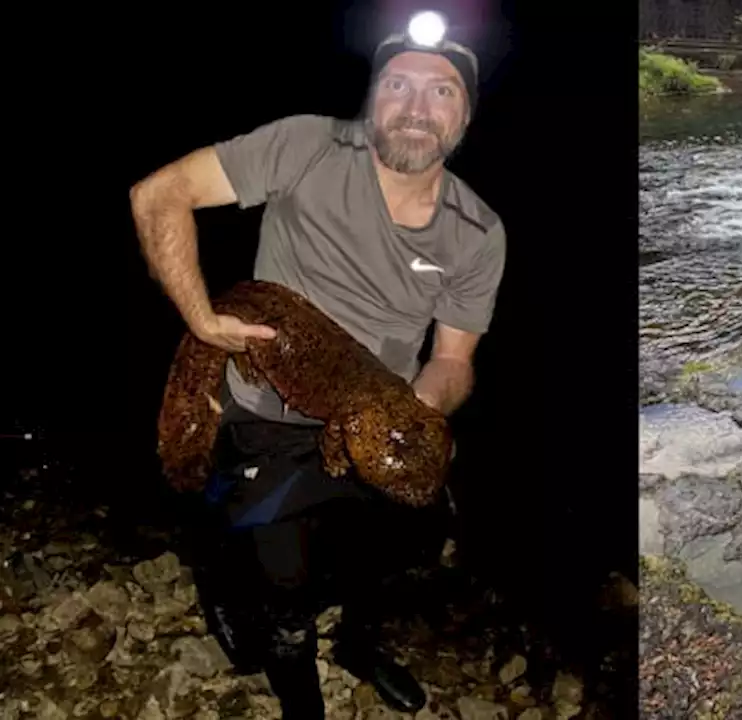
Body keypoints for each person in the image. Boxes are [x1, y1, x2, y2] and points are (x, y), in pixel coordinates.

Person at [128, 19, 504, 718]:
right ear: (372, 99)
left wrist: (413, 417)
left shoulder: (478, 231)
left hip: (379, 404)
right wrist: (202, 319)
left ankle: (359, 642)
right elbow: (157, 195)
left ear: (466, 114)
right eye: (398, 84)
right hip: (269, 403)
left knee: (413, 532)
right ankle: (297, 685)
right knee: (285, 577)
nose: (417, 107)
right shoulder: (310, 146)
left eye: (441, 91)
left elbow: (452, 359)